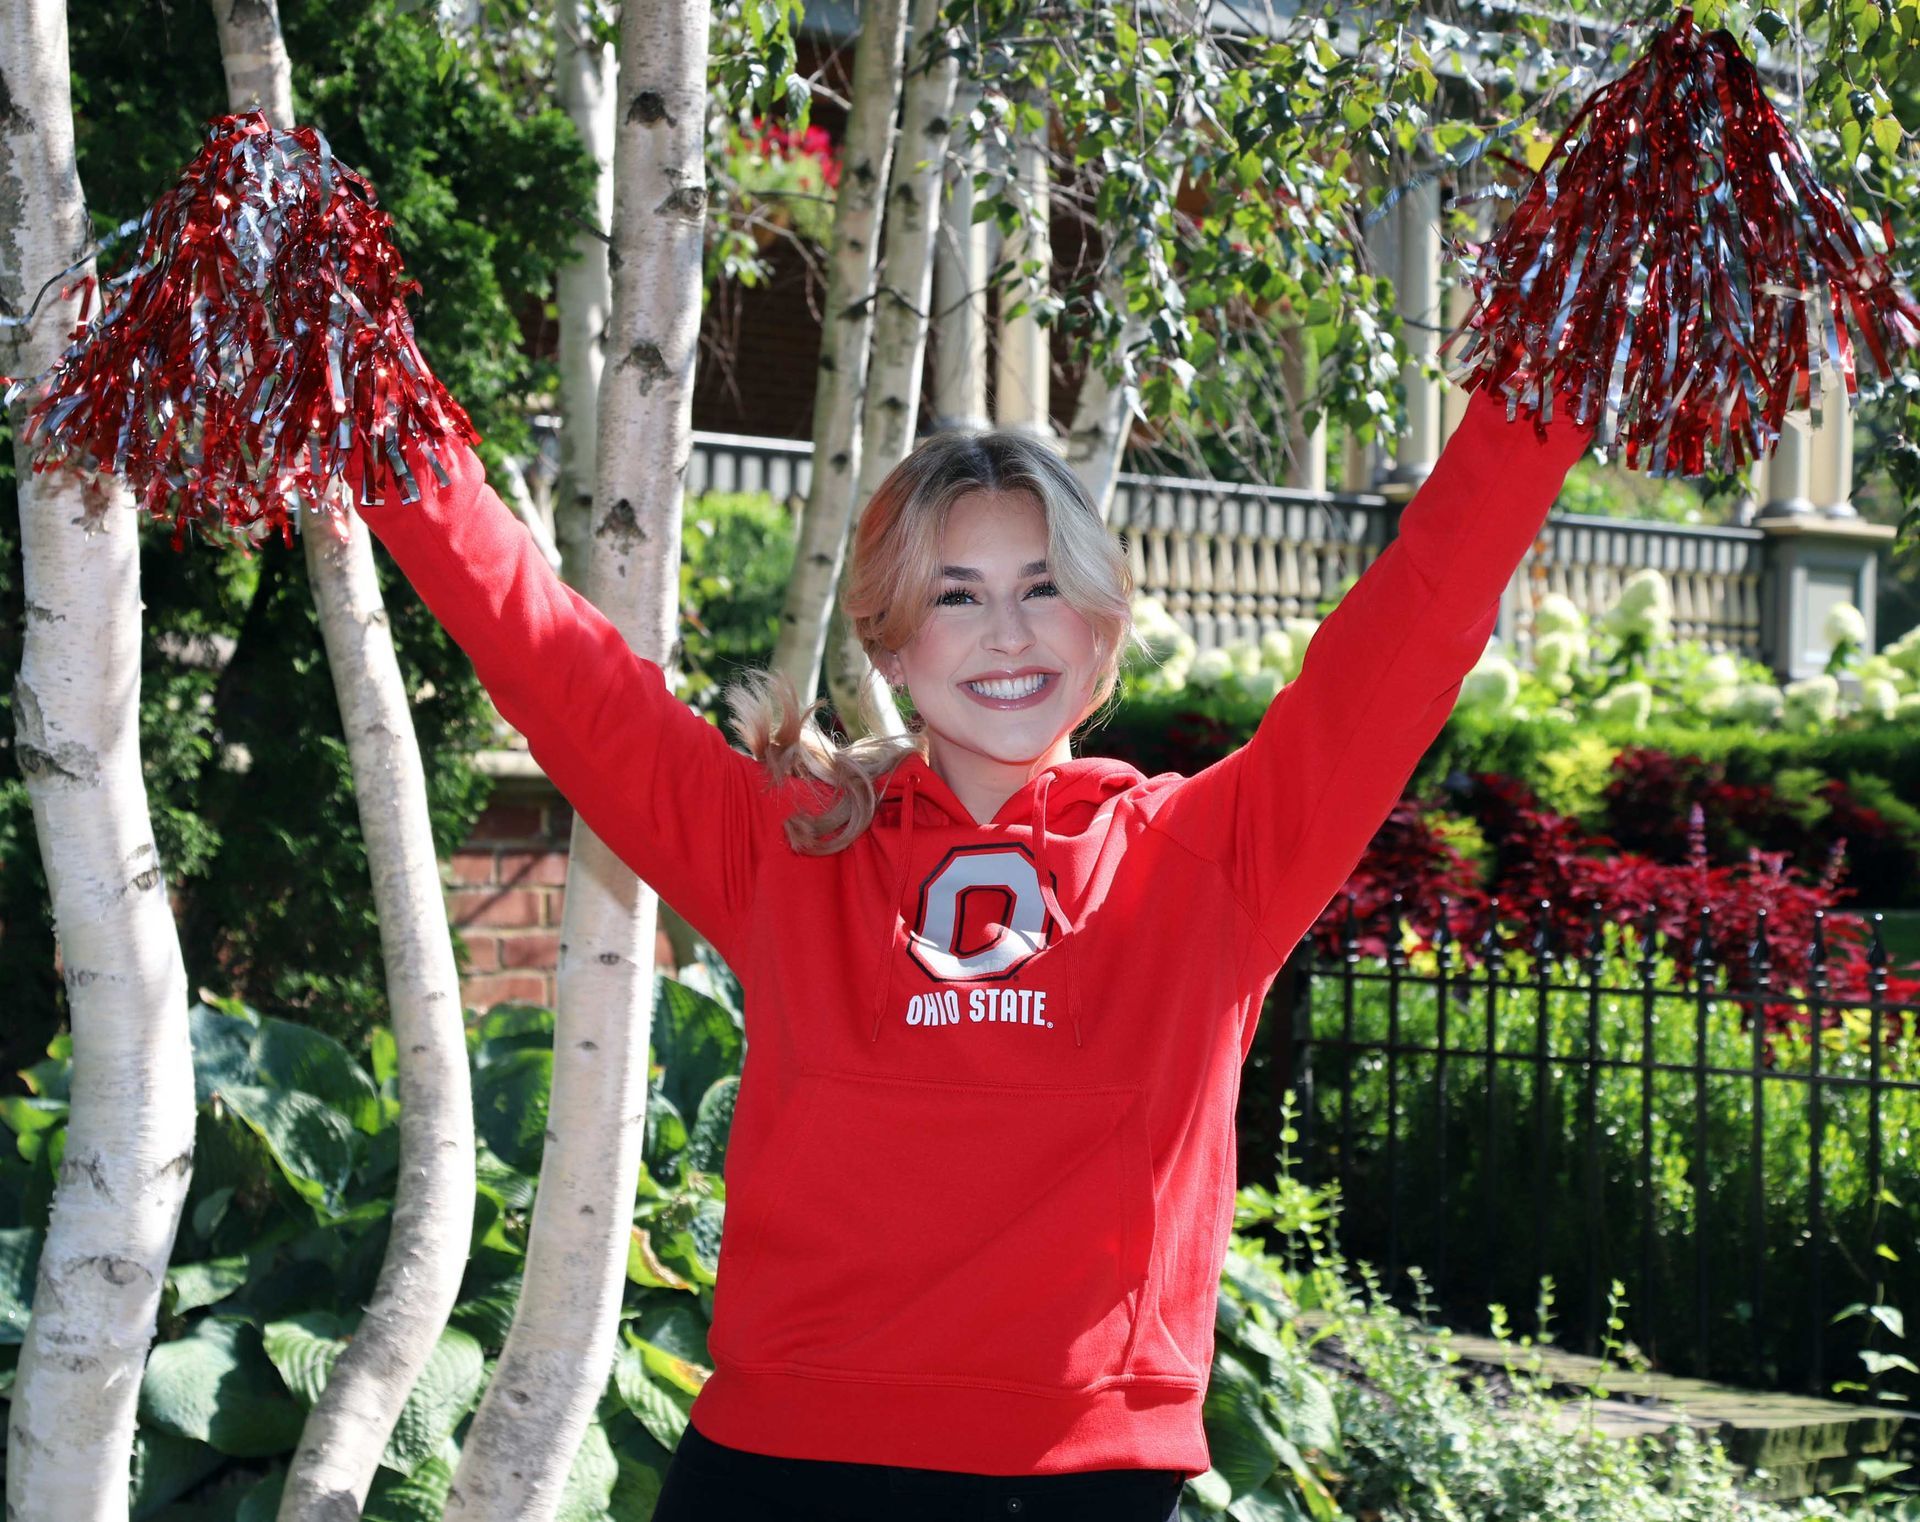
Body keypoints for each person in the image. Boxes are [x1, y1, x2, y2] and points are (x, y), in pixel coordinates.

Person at [351, 383, 1593, 1521]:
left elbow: (1413, 630)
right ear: (892, 645)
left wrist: (1549, 381)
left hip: (1077, 1482)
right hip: (781, 1468)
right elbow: (557, 672)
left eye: (1043, 587)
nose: (1008, 632)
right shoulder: (789, 849)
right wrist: (376, 410)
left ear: (1101, 625)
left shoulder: (1217, 860)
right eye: (956, 595)